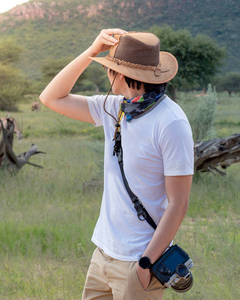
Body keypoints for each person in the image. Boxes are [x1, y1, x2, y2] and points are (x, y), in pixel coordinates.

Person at [39, 29, 194, 299]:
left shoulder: (171, 123)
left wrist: (145, 264)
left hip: (139, 262)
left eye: (109, 68)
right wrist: (91, 50)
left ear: (119, 75)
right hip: (102, 254)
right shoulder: (114, 108)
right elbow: (50, 97)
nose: (106, 73)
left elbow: (178, 204)